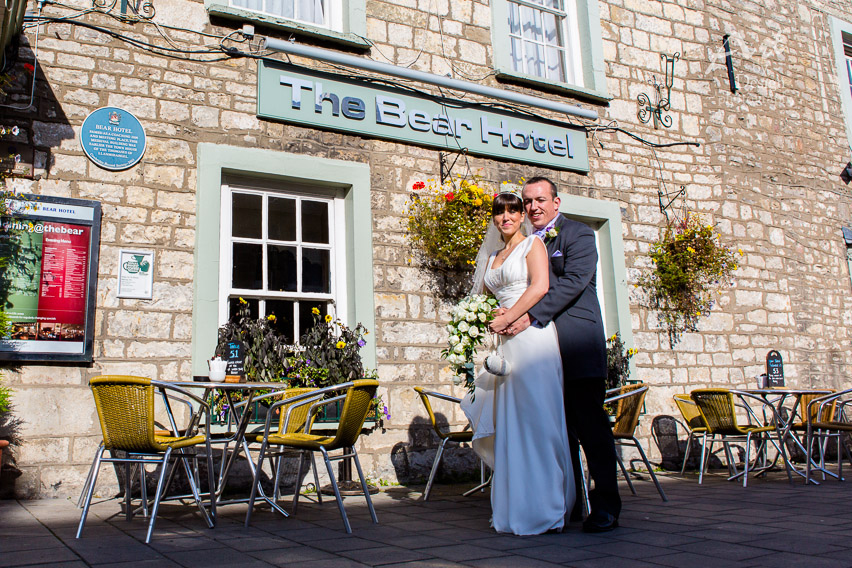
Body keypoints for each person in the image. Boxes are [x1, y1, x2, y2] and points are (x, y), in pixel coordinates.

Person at [504, 176, 621, 533]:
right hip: (539, 352)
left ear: (557, 202)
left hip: (576, 343)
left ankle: (606, 505)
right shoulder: (522, 243)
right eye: (528, 201)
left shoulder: (579, 234)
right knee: (556, 428)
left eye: (540, 199)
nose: (533, 207)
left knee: (589, 426)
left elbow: (574, 281)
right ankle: (566, 501)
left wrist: (528, 316)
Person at [461, 188, 575, 536]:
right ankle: (515, 508)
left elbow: (540, 287)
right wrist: (486, 315)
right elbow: (483, 295)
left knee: (537, 419)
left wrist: (510, 315)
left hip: (532, 341)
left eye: (512, 211)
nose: (506, 218)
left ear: (522, 216)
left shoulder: (533, 245)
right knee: (512, 424)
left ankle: (547, 508)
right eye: (499, 213)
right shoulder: (493, 255)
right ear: (494, 219)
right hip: (505, 343)